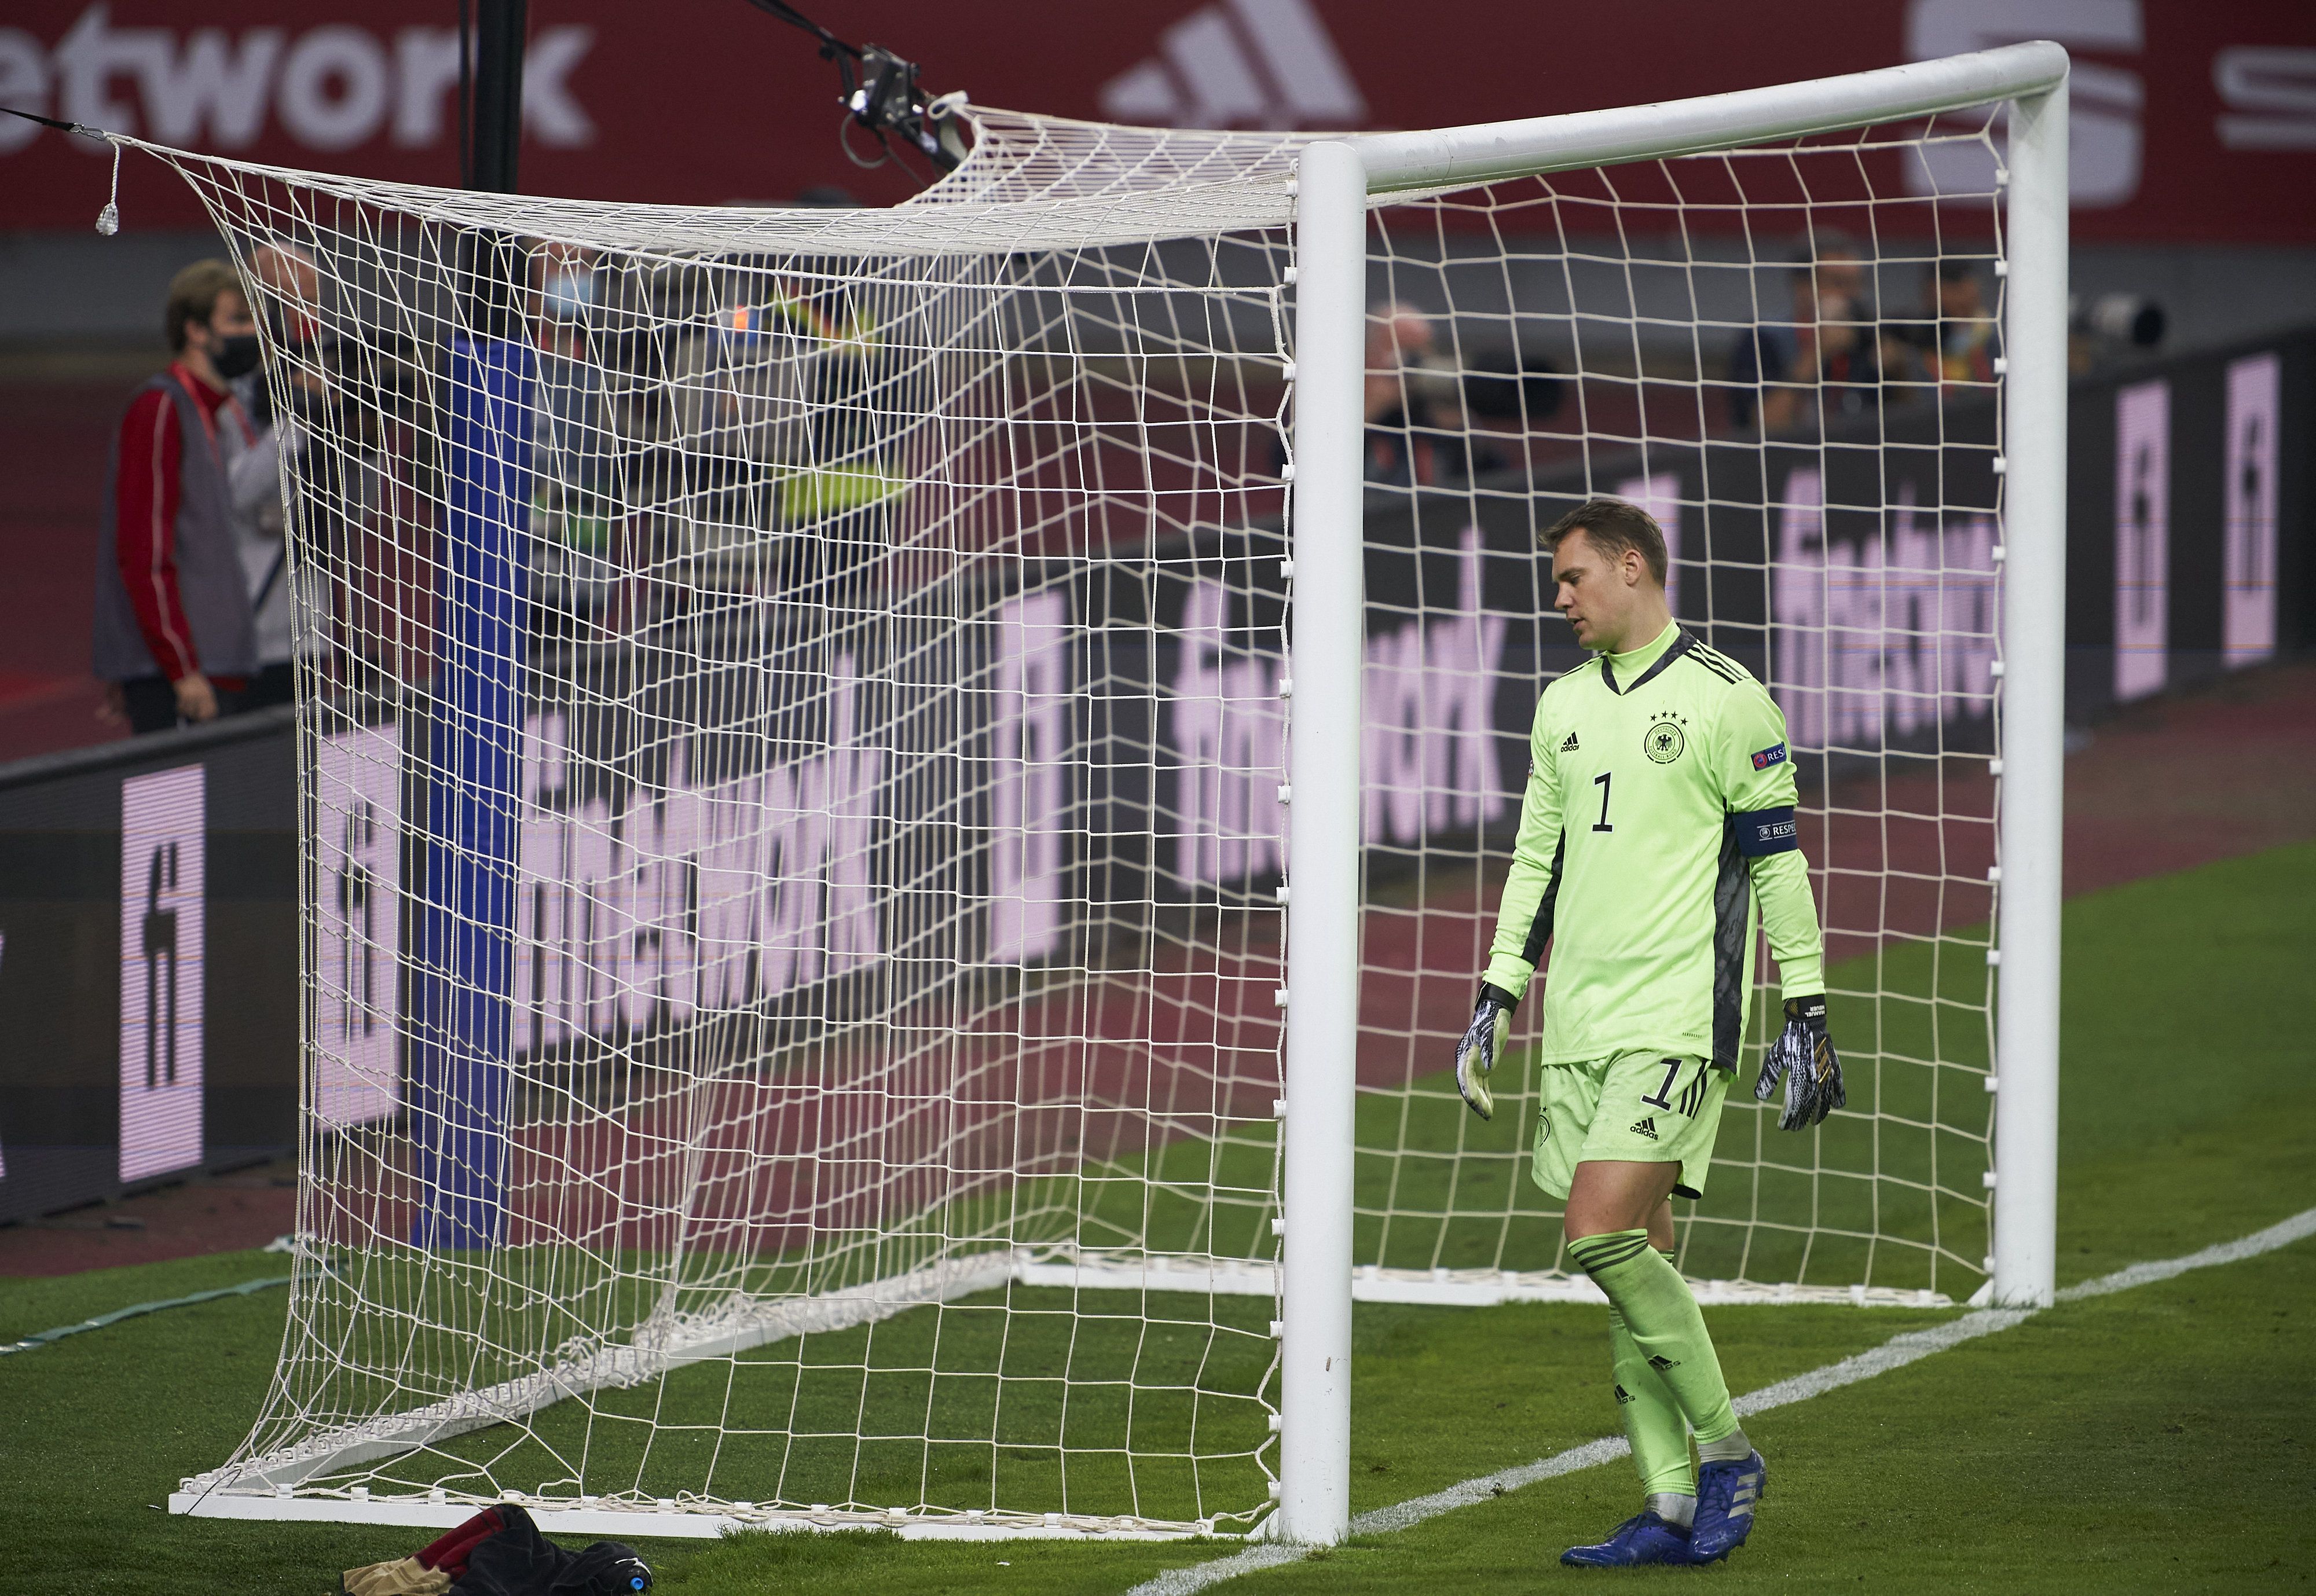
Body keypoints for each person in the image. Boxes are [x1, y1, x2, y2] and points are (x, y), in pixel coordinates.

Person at [1452, 497, 1844, 1567]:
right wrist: (1499, 987)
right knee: (1636, 1265)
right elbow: (1539, 860)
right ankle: (1667, 1503)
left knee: (1597, 1233)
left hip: (1678, 1016)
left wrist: (1805, 1003)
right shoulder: (1561, 706)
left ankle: (1726, 1452)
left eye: (1574, 577)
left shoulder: (1728, 699)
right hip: (1576, 1021)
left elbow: (1776, 862)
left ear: (1633, 565)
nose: (1561, 597)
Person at [94, 259, 265, 733]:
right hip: (184, 677)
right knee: (174, 808)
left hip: (214, 666)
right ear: (195, 330)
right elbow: (143, 550)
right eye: (238, 320)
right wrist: (181, 667)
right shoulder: (162, 409)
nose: (253, 334)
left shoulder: (215, 412)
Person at [1727, 236, 1884, 434]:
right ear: (1802, 287)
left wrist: (1897, 370)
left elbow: (1915, 420)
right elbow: (1764, 425)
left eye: (1857, 284)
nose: (1850, 295)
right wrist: (1818, 353)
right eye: (1838, 283)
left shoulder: (1869, 339)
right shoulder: (1764, 339)